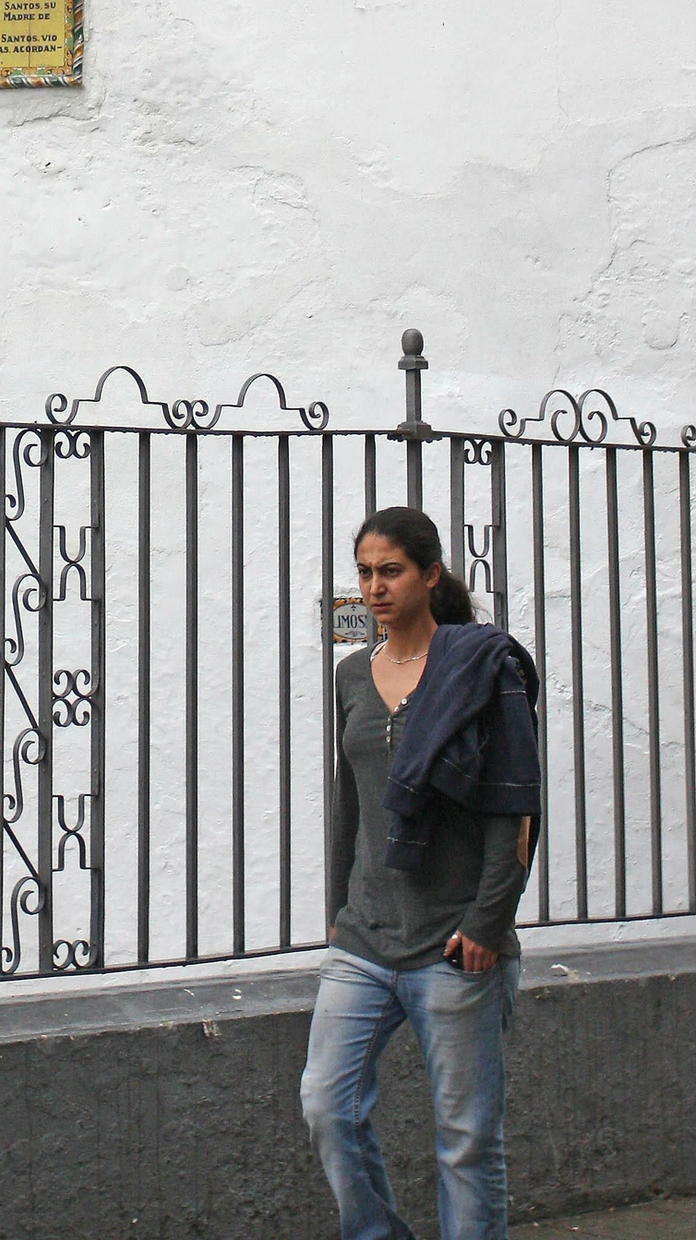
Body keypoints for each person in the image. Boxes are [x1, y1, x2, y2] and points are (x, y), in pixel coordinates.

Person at [301, 506, 542, 1240]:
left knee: (466, 1141)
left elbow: (513, 807)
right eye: (365, 573)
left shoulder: (481, 668)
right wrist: (340, 910)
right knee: (327, 1107)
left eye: (391, 571)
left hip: (455, 944)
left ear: (430, 575)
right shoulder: (352, 675)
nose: (375, 587)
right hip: (365, 940)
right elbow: (350, 801)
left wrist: (488, 923)